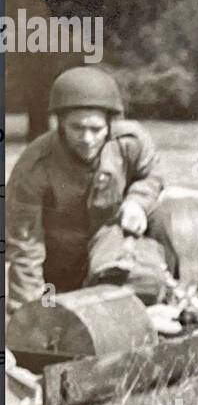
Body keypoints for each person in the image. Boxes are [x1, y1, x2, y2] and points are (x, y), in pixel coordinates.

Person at [5, 67, 178, 313]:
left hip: (112, 249)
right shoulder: (34, 166)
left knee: (159, 214)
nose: (87, 138)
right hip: (62, 266)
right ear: (60, 123)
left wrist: (137, 202)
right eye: (77, 128)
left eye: (96, 129)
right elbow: (25, 246)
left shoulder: (131, 142)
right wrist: (26, 315)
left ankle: (166, 293)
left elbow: (151, 174)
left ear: (110, 124)